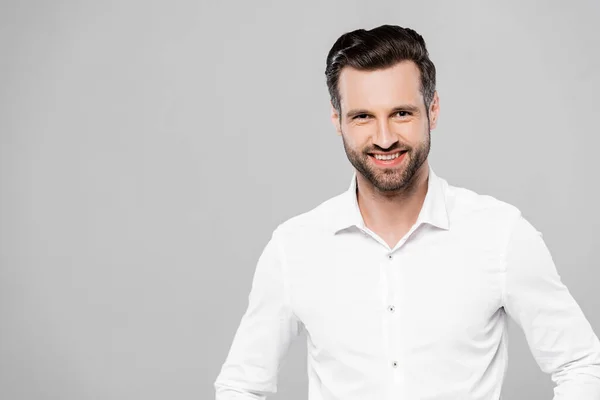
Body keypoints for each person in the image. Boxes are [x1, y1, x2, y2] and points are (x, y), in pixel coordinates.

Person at [213, 24, 600, 400]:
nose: (384, 138)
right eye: (362, 116)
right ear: (338, 122)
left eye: (401, 113)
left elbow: (581, 363)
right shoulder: (294, 247)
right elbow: (241, 385)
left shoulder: (500, 235)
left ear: (432, 111)